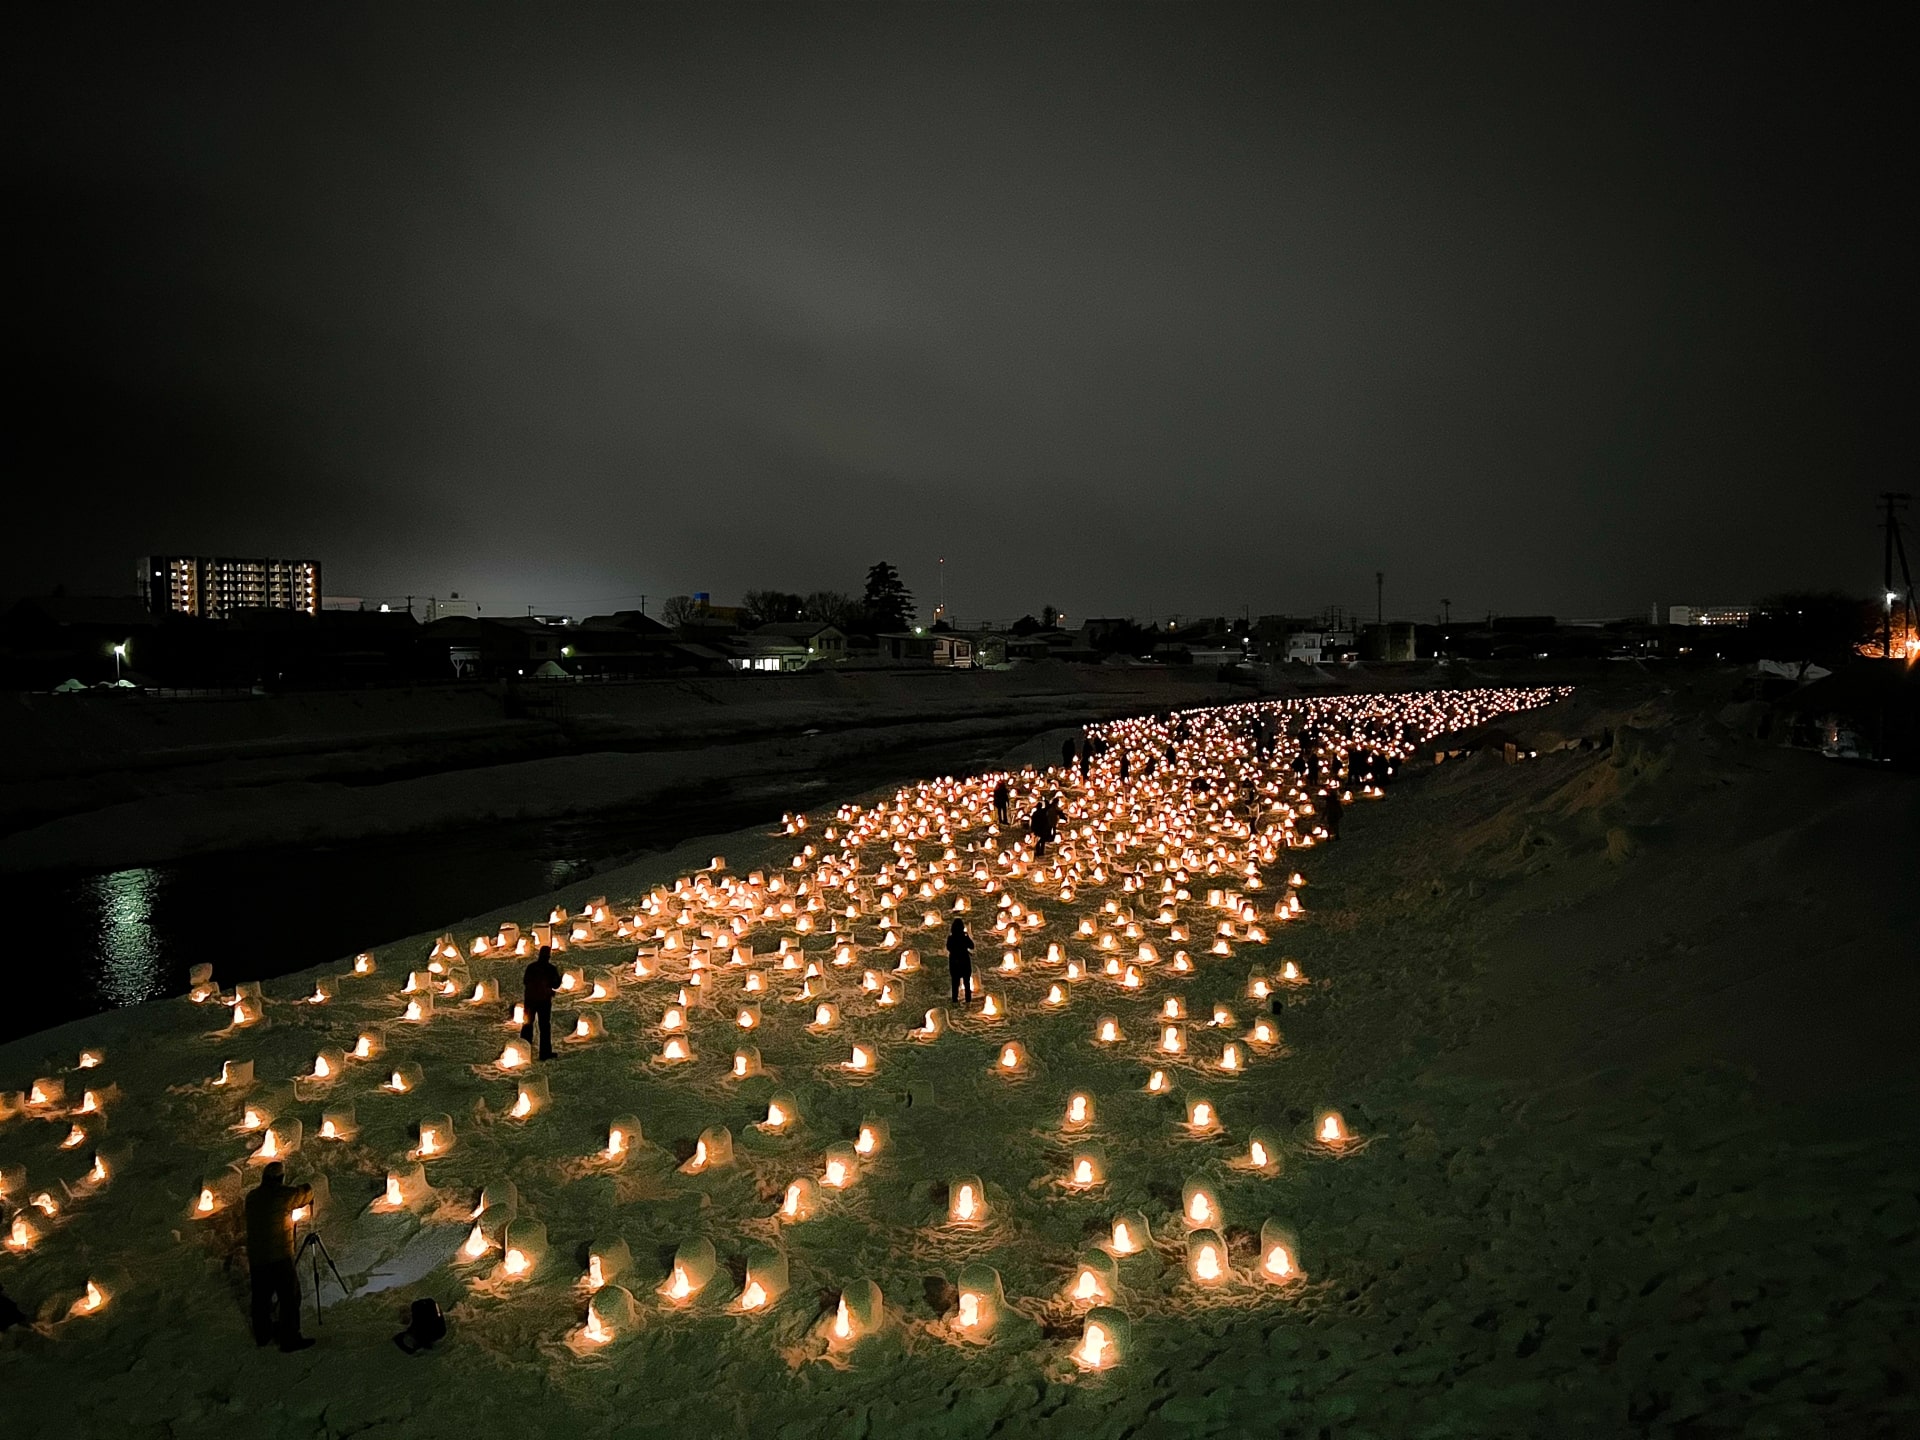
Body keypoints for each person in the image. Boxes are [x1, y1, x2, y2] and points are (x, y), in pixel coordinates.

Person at [245, 1161, 316, 1352]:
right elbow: (305, 1194)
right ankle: (289, 1338)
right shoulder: (283, 1196)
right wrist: (310, 1186)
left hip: (257, 1259)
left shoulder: (251, 1197)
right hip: (279, 1257)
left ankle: (263, 1335)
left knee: (261, 1298)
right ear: (280, 1178)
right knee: (289, 1297)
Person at [522, 944, 561, 1060]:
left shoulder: (531, 967)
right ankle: (545, 1053)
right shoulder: (550, 969)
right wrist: (560, 977)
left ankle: (524, 1050)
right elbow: (556, 985)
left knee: (527, 1025)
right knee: (544, 1027)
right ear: (548, 956)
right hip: (544, 1001)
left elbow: (525, 981)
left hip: (529, 1000)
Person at [945, 918, 975, 1004]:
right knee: (967, 983)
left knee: (955, 984)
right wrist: (967, 936)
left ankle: (955, 1001)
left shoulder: (951, 938)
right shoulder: (964, 937)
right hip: (964, 962)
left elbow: (949, 948)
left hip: (954, 962)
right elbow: (972, 946)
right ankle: (968, 1001)